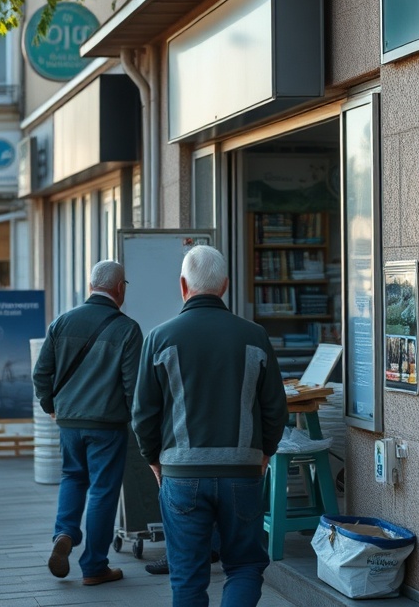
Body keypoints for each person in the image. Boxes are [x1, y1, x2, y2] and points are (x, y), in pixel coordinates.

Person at [132, 245, 287, 606]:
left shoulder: (159, 338)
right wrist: (264, 455)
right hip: (242, 472)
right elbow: (275, 409)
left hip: (181, 475)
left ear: (183, 286)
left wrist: (154, 460)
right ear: (226, 285)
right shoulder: (255, 336)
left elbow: (143, 413)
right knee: (245, 565)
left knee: (187, 574)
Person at [32, 260, 143, 588]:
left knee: (72, 478)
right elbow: (132, 386)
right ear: (120, 289)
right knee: (103, 492)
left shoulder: (62, 322)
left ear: (91, 285)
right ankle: (94, 565)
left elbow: (41, 374)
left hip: (68, 422)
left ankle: (64, 533)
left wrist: (52, 407)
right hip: (107, 425)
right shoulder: (127, 329)